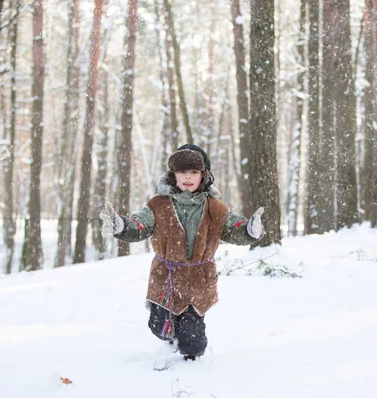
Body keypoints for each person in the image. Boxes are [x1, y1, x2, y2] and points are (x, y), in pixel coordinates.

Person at [100, 144, 264, 361]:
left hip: (198, 279)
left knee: (191, 339)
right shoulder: (158, 204)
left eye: (194, 172)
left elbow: (233, 228)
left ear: (204, 175)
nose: (188, 177)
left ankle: (191, 361)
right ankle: (169, 335)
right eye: (182, 172)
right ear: (173, 175)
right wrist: (122, 226)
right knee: (158, 326)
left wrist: (249, 231)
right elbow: (140, 225)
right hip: (165, 277)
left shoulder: (215, 207)